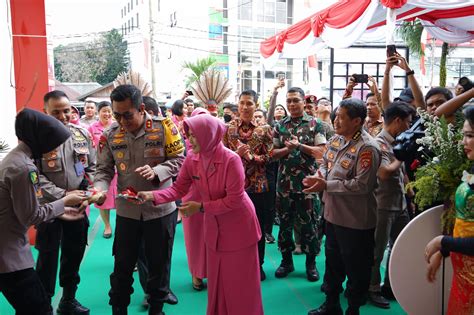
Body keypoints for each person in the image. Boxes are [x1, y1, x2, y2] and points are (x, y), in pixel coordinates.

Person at [137, 114, 263, 315]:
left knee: (239, 283)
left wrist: (201, 207)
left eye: (194, 135)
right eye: (188, 135)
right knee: (218, 281)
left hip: (239, 228)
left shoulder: (231, 160)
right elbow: (178, 190)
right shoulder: (192, 158)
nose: (189, 140)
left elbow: (235, 200)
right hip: (215, 226)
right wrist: (151, 195)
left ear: (209, 135)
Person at [93, 84, 184, 315]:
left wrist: (159, 172)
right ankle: (119, 309)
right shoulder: (110, 135)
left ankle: (156, 309)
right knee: (122, 267)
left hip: (160, 210)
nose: (122, 121)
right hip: (127, 213)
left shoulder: (165, 128)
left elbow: (180, 159)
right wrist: (100, 189)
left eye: (127, 115)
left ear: (142, 108)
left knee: (159, 266)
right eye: (117, 115)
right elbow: (103, 170)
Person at [0, 109, 87, 315]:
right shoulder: (23, 168)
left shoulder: (15, 159)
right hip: (8, 255)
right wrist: (65, 200)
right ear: (40, 139)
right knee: (39, 309)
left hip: (8, 248)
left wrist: (60, 210)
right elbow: (31, 216)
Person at [303, 98, 381, 315]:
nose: (336, 121)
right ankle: (332, 304)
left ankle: (353, 308)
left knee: (357, 268)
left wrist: (326, 184)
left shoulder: (367, 148)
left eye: (342, 118)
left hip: (356, 221)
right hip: (332, 215)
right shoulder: (336, 140)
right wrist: (317, 178)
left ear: (357, 121)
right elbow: (325, 165)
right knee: (333, 262)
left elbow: (362, 185)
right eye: (336, 116)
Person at [36, 90, 96, 315]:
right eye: (56, 112)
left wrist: (91, 191)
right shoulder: (36, 141)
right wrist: (63, 196)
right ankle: (43, 306)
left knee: (74, 252)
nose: (63, 116)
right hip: (49, 208)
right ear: (45, 113)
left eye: (66, 110)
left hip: (78, 205)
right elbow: (34, 177)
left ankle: (68, 300)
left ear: (72, 110)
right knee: (47, 257)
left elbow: (93, 168)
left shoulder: (82, 134)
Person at [273, 87, 326, 283]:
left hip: (308, 184)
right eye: (289, 101)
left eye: (296, 100)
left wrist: (300, 146)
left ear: (304, 102)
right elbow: (273, 153)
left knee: (310, 224)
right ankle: (286, 262)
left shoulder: (315, 124)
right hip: (285, 185)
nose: (292, 104)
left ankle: (310, 265)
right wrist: (286, 150)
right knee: (285, 224)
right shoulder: (280, 126)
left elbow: (320, 152)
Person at [424, 105, 474, 315]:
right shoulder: (472, 168)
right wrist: (445, 251)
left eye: (470, 136)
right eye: (464, 135)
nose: (464, 142)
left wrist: (442, 242)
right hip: (464, 271)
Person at [368, 102, 415, 309]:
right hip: (383, 205)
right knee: (377, 250)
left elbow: (401, 173)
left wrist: (410, 192)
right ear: (397, 121)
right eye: (408, 122)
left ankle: (389, 285)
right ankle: (372, 289)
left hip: (400, 204)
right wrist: (400, 156)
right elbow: (384, 172)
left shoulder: (398, 141)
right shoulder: (377, 143)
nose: (409, 126)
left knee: (399, 247)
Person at [223, 90, 273, 281]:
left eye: (249, 103)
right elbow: (222, 153)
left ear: (256, 104)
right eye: (242, 103)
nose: (245, 107)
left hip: (257, 186)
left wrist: (251, 157)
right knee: (234, 228)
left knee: (257, 227)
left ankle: (257, 265)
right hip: (233, 188)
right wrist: (235, 155)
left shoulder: (264, 129)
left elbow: (270, 157)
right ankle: (237, 263)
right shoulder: (228, 128)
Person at [88, 101, 117, 238]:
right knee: (102, 197)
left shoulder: (117, 126)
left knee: (121, 198)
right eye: (103, 111)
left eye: (109, 111)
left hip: (118, 168)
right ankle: (107, 225)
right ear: (98, 112)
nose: (106, 113)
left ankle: (122, 224)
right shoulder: (92, 128)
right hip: (100, 168)